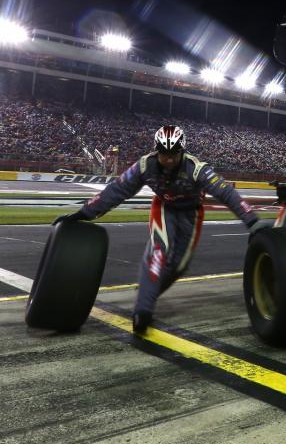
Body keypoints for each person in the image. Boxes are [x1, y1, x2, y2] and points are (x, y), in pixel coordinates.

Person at [52, 126, 270, 333]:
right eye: (164, 153)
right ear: (156, 151)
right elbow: (116, 191)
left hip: (191, 214)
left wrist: (251, 221)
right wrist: (83, 213)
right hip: (164, 208)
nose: (169, 159)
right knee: (159, 251)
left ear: (182, 151)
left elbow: (226, 192)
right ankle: (143, 309)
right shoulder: (144, 166)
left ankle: (149, 290)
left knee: (179, 266)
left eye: (174, 153)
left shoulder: (197, 170)